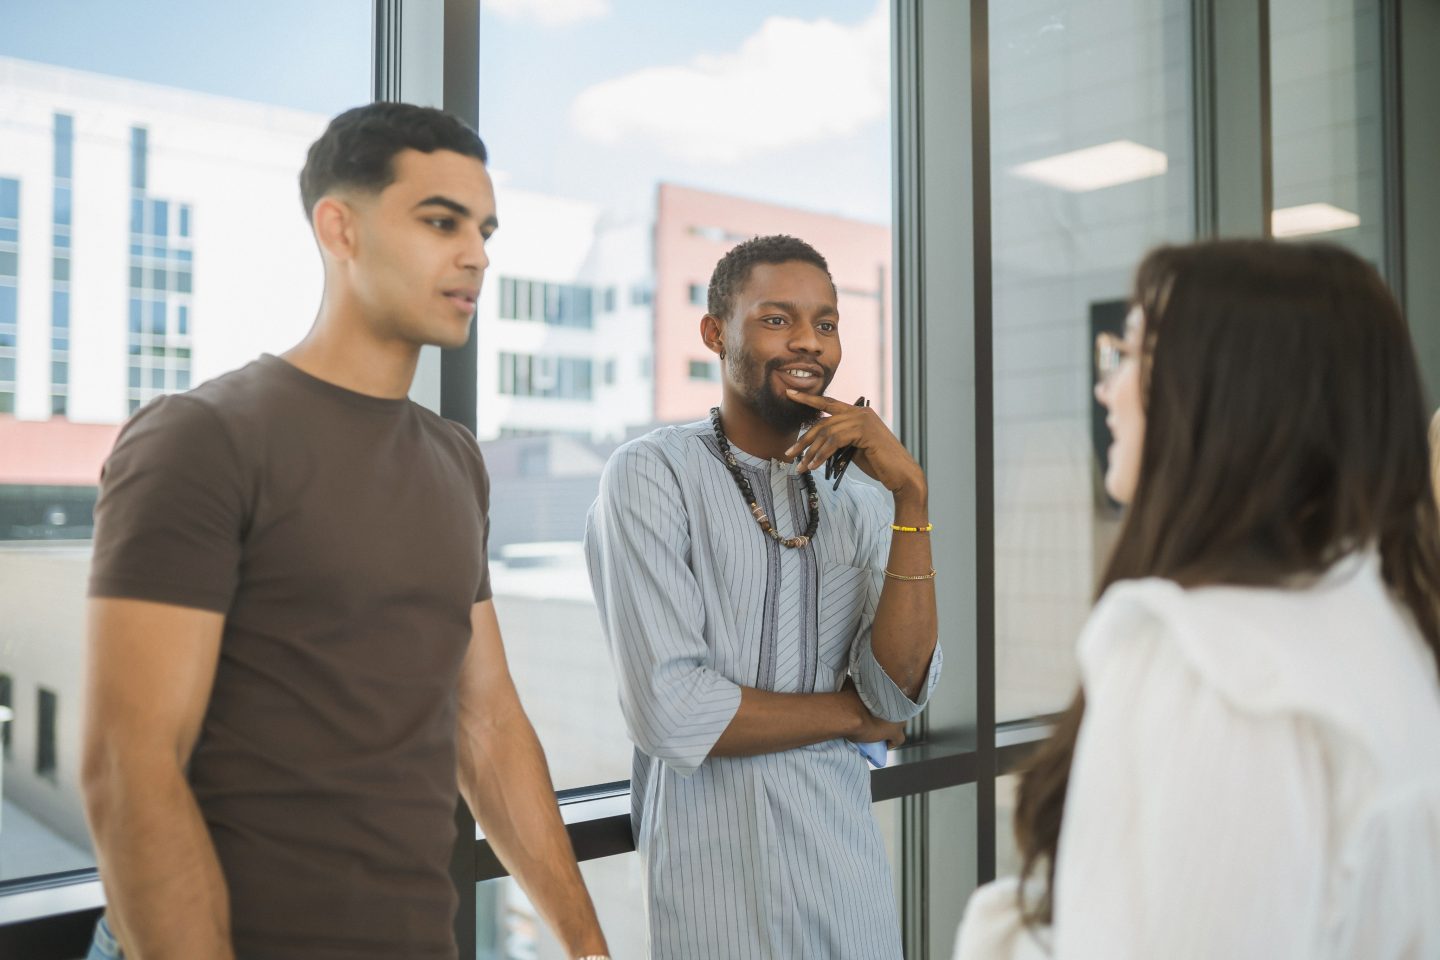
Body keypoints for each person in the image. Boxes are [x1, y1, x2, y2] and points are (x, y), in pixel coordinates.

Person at [80, 103, 611, 960]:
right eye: (441, 221)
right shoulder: (201, 436)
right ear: (340, 228)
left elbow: (488, 724)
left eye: (484, 228)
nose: (475, 254)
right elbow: (129, 769)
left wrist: (588, 949)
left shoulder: (454, 462)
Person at [954, 239, 1440, 960]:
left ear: (1230, 392)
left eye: (1132, 355)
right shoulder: (1383, 627)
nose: (1106, 388)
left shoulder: (1214, 668)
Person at [584, 234, 942, 958]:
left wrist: (911, 496)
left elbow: (899, 691)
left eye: (826, 323)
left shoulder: (870, 497)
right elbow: (673, 711)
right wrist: (852, 714)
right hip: (715, 905)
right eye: (777, 319)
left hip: (851, 895)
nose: (807, 342)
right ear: (716, 333)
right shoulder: (652, 475)